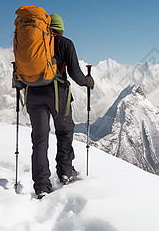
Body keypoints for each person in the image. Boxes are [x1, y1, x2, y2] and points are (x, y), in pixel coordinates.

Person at [26, 13, 94, 199]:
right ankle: (65, 172)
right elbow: (75, 74)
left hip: (32, 94)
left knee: (39, 141)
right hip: (57, 95)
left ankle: (41, 186)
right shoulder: (65, 43)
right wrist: (87, 81)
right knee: (64, 132)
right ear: (61, 29)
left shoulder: (35, 43)